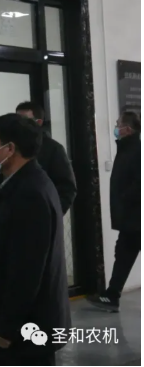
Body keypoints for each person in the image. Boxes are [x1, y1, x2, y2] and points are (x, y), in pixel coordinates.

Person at [0, 114, 70, 366]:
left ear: (10, 149)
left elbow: (27, 271)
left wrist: (6, 328)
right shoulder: (17, 184)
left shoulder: (30, 193)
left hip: (24, 332)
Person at [87, 111, 141, 312]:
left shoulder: (136, 151)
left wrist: (125, 198)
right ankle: (112, 295)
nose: (116, 128)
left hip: (136, 216)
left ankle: (112, 295)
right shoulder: (126, 149)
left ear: (127, 129)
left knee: (124, 253)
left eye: (118, 124)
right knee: (124, 253)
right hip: (131, 218)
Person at [15, 101, 77, 215]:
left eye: (25, 121)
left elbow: (67, 188)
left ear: (38, 122)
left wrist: (51, 214)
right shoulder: (14, 148)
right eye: (17, 121)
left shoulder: (53, 148)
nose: (20, 125)